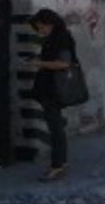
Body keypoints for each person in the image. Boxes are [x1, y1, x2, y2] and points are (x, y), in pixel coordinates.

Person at [28, 9, 76, 181]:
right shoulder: (54, 38)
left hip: (54, 89)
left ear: (50, 24)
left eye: (42, 27)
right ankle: (60, 163)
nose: (40, 31)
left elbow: (63, 63)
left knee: (55, 128)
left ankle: (58, 165)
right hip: (50, 88)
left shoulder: (62, 38)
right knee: (55, 126)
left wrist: (40, 63)